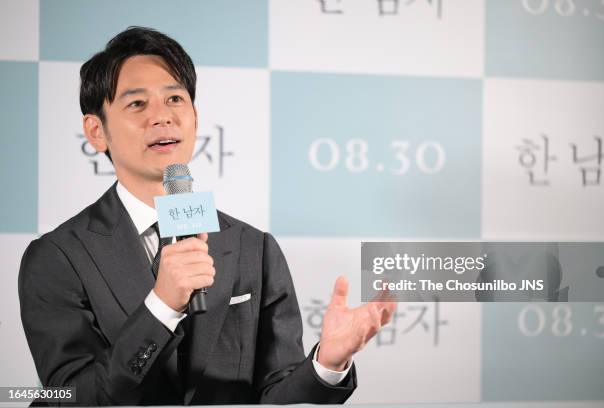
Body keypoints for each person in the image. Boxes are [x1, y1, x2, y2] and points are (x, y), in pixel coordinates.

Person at [18, 26, 396, 406]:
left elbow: (274, 395)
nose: (162, 117)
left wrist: (327, 363)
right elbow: (67, 398)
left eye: (175, 99)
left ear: (195, 119)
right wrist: (162, 306)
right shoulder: (57, 256)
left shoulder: (254, 248)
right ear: (96, 131)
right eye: (137, 104)